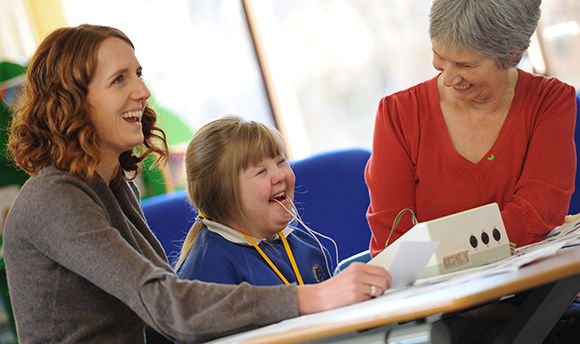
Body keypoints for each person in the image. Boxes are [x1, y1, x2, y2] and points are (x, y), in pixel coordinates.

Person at [3, 24, 390, 344]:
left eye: (137, 74)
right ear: (71, 101)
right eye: (119, 79)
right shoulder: (54, 199)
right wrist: (314, 296)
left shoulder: (114, 184)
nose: (142, 91)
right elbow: (163, 302)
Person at [365, 1, 577, 342]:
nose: (448, 78)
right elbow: (394, 246)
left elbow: (538, 214)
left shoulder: (550, 102)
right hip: (441, 307)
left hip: (534, 295)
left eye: (465, 64)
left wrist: (442, 251)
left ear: (512, 54)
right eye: (439, 57)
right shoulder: (398, 115)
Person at [175, 116, 335, 286]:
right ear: (223, 194)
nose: (280, 175)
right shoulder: (207, 272)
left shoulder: (306, 245)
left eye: (281, 162)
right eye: (261, 172)